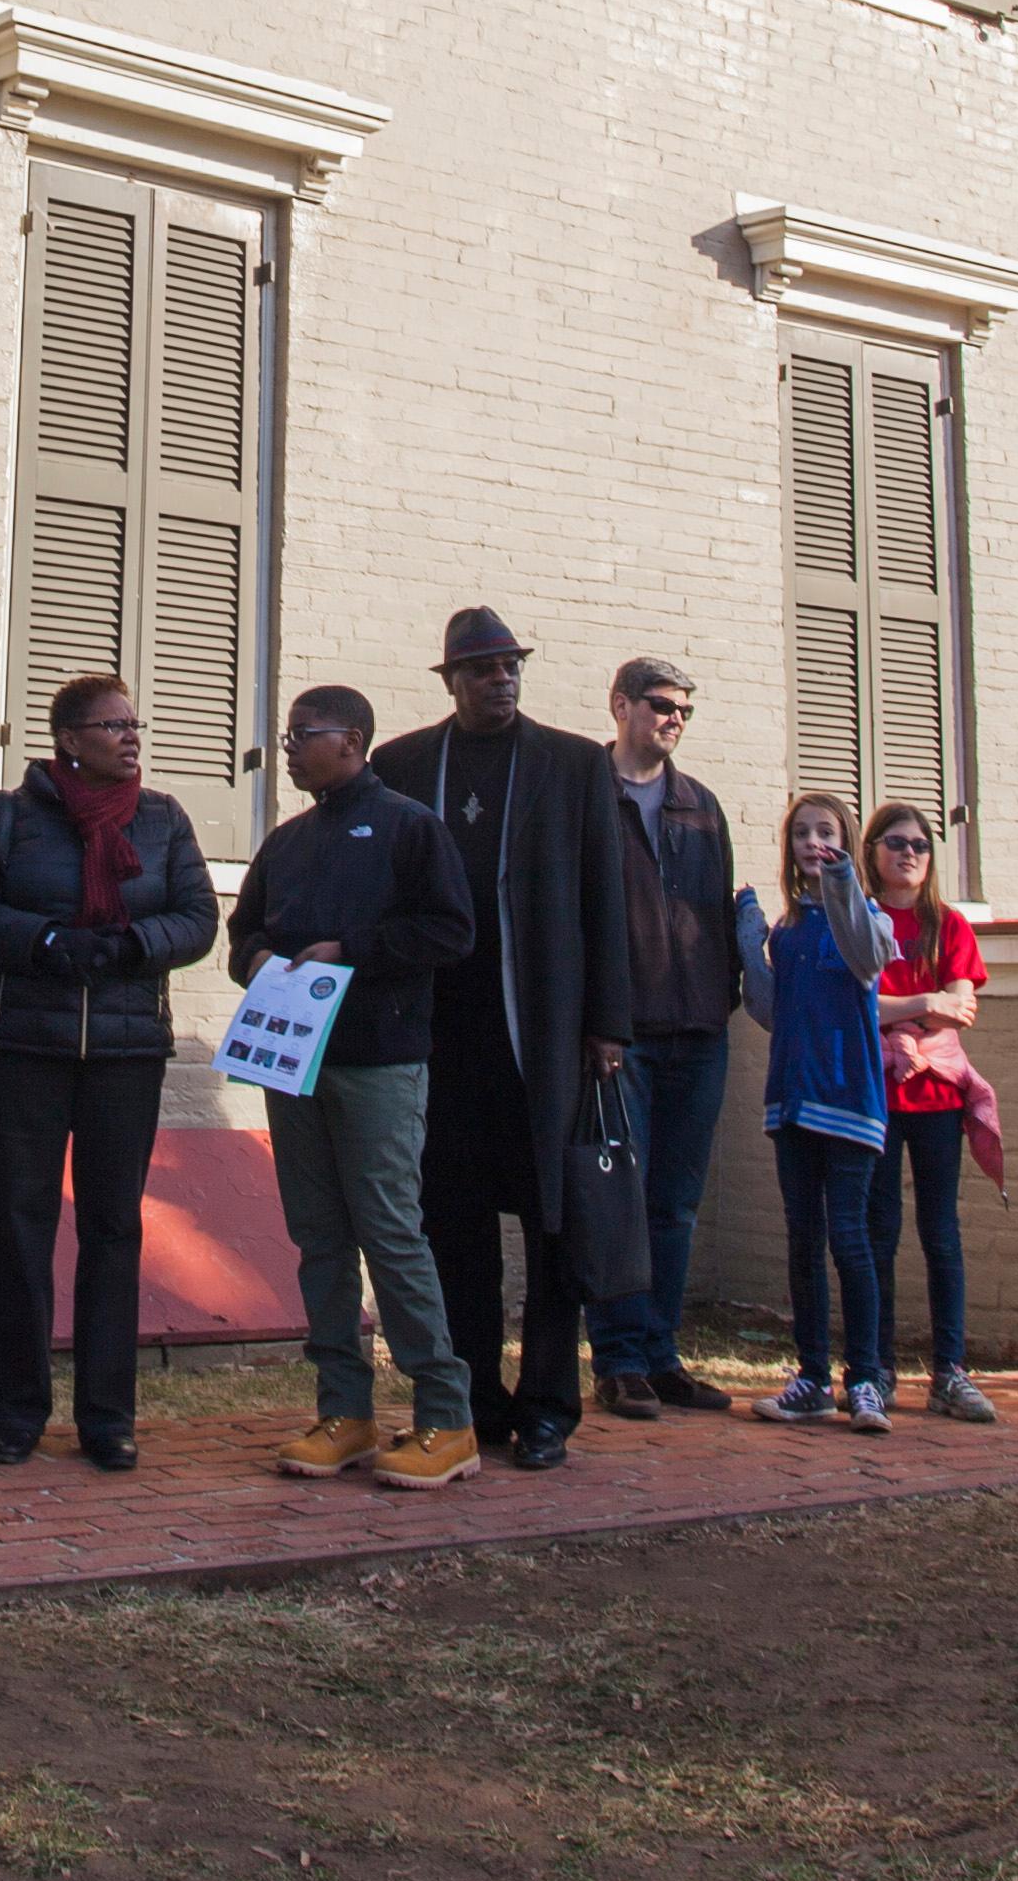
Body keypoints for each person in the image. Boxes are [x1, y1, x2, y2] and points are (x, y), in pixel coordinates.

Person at [371, 610, 636, 1474]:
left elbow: (607, 899)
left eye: (510, 665)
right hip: (443, 1037)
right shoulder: (406, 765)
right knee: (454, 1230)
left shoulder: (572, 763)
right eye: (482, 669)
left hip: (547, 1038)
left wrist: (607, 1026)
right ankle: (475, 1399)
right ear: (450, 680)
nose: (501, 679)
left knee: (556, 1227)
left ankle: (552, 1404)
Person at [0, 669, 219, 1469]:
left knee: (114, 1229)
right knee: (23, 1227)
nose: (131, 737)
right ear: (69, 740)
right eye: (113, 724)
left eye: (135, 725)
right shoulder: (7, 815)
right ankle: (15, 1414)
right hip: (22, 1045)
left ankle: (107, 1418)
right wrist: (49, 941)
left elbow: (200, 918)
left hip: (126, 1053)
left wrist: (134, 945)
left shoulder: (163, 820)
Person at [226, 685, 475, 1487]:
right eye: (288, 733)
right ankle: (347, 1412)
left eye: (306, 734)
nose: (291, 747)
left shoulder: (408, 827)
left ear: (355, 740)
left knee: (391, 1234)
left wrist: (352, 951)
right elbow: (243, 935)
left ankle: (446, 1418)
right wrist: (256, 958)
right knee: (320, 1239)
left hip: (378, 1061)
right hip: (293, 1063)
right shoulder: (288, 842)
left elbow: (449, 930)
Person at [590, 657, 749, 1424]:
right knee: (617, 1200)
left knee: (675, 1206)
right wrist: (597, 1021)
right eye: (661, 705)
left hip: (699, 1032)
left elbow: (715, 911)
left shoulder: (700, 807)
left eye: (686, 708)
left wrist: (724, 1002)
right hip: (620, 1038)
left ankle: (660, 1355)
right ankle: (618, 1360)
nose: (675, 718)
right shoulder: (585, 793)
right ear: (621, 705)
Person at [741, 790, 898, 1431]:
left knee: (849, 1240)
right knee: (802, 1241)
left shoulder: (869, 918)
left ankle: (865, 1380)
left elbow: (865, 955)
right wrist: (750, 936)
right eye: (802, 833)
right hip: (792, 1103)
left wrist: (840, 881)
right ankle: (811, 1378)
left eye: (825, 831)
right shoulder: (790, 930)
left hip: (850, 1103)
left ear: (847, 844)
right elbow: (770, 1011)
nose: (812, 842)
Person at [854, 801, 999, 1424]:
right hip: (876, 1097)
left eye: (920, 844)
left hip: (937, 1095)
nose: (908, 852)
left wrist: (896, 1010)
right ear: (872, 853)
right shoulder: (859, 919)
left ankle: (950, 1371)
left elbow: (961, 1009)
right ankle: (877, 1368)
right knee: (877, 1232)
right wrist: (921, 1002)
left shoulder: (950, 925)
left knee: (941, 1235)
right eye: (895, 842)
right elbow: (857, 1003)